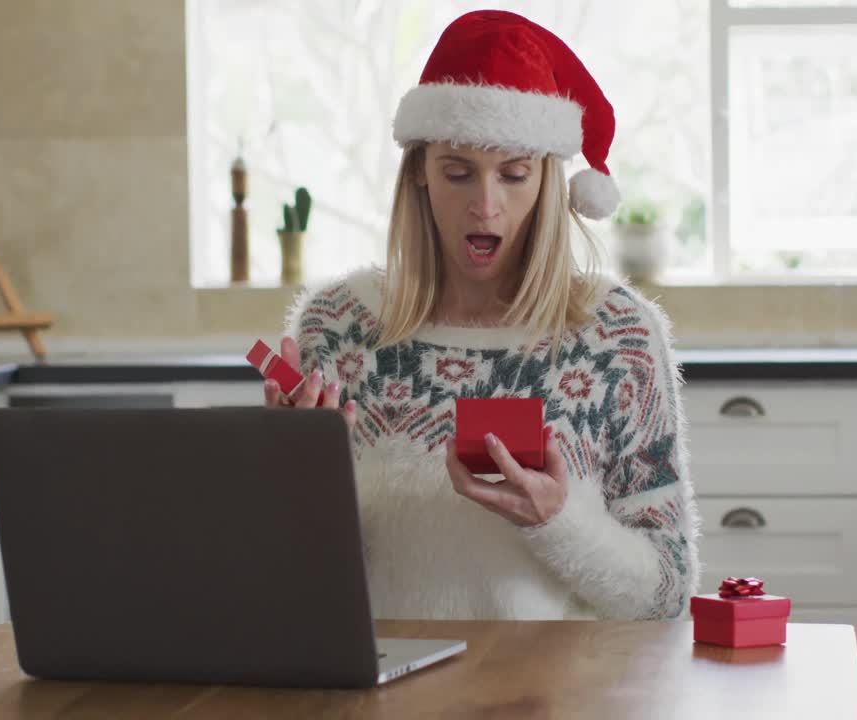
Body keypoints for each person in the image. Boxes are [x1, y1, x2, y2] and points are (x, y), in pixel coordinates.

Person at [263, 9, 700, 621]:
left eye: (514, 174)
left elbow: (667, 592)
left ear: (547, 181)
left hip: (554, 682)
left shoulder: (615, 336)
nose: (485, 205)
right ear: (420, 172)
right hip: (387, 679)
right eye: (458, 172)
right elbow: (296, 586)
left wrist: (557, 520)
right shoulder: (339, 326)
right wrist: (298, 479)